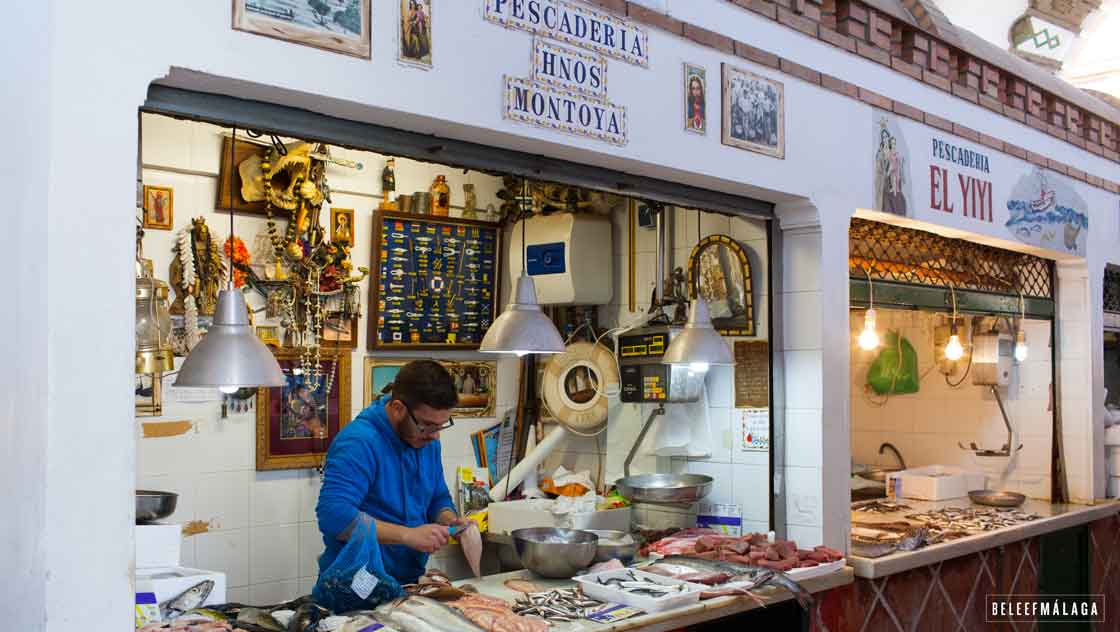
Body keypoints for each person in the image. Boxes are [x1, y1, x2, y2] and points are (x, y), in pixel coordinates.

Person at [315, 360, 468, 586]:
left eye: (441, 426)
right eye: (427, 425)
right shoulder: (359, 442)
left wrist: (449, 519)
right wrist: (408, 535)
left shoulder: (425, 440)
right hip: (354, 584)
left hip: (405, 581)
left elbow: (436, 496)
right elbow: (334, 516)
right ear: (398, 409)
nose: (435, 436)